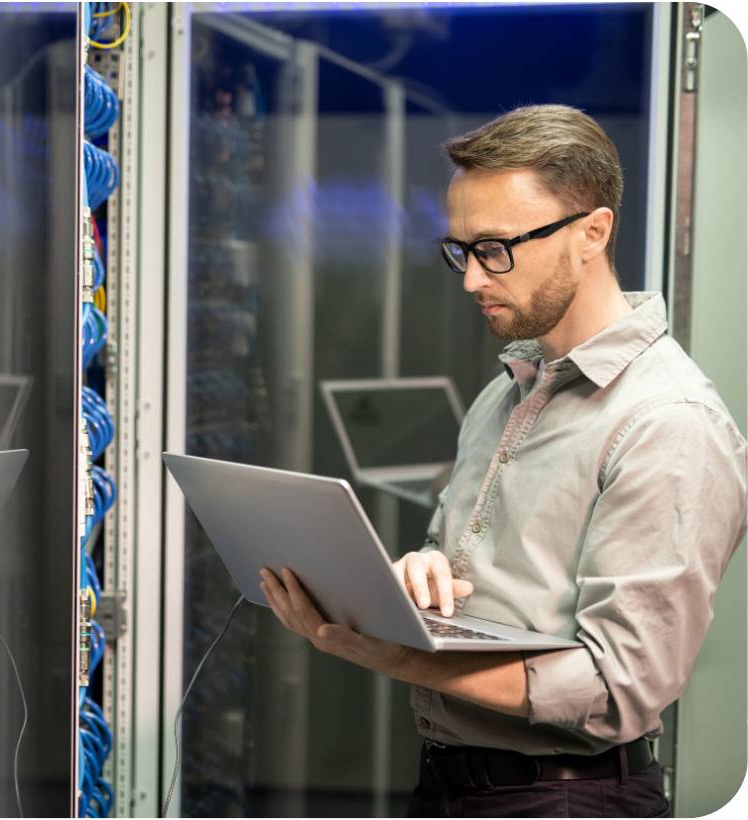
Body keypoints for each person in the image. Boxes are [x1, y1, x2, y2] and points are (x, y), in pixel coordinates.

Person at [259, 104, 748, 818]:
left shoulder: (668, 422)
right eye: (461, 250)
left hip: (568, 799)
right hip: (453, 781)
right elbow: (465, 564)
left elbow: (619, 689)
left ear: (592, 232)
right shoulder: (509, 388)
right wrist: (421, 575)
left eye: (496, 249)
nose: (471, 279)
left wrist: (394, 655)